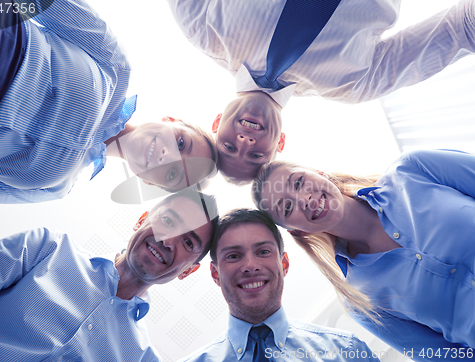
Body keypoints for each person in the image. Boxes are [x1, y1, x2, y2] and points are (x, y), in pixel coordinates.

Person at [167, 0, 475, 183]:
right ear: (280, 143)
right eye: (256, 154)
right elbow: (457, 32)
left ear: (216, 122)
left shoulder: (201, 28)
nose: (245, 141)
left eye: (229, 147)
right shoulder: (355, 84)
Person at [0, 0, 217, 204]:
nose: (167, 156)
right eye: (182, 143)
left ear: (148, 182)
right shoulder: (116, 68)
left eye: (173, 173)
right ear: (172, 120)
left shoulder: (56, 189)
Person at [252, 149, 475, 359]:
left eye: (299, 182)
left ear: (319, 173)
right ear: (297, 231)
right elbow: (444, 356)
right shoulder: (360, 301)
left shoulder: (412, 169)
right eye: (287, 208)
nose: (304, 199)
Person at [0, 188, 218, 361]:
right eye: (167, 220)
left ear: (188, 271)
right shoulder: (47, 249)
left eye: (187, 242)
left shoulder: (141, 358)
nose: (167, 240)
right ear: (141, 220)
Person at [180, 208, 380, 362]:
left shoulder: (348, 352)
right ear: (215, 274)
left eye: (263, 252)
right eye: (233, 256)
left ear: (284, 264)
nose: (250, 266)